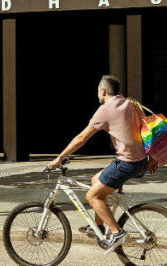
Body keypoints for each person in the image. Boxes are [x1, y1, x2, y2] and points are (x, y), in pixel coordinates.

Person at [48, 75, 155, 252]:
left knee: (92, 196)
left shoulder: (105, 110)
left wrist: (60, 157)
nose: (97, 93)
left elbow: (82, 138)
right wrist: (153, 158)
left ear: (103, 90)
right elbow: (148, 131)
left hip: (127, 163)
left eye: (98, 89)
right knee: (95, 181)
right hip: (140, 161)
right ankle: (99, 227)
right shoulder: (132, 104)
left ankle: (117, 232)